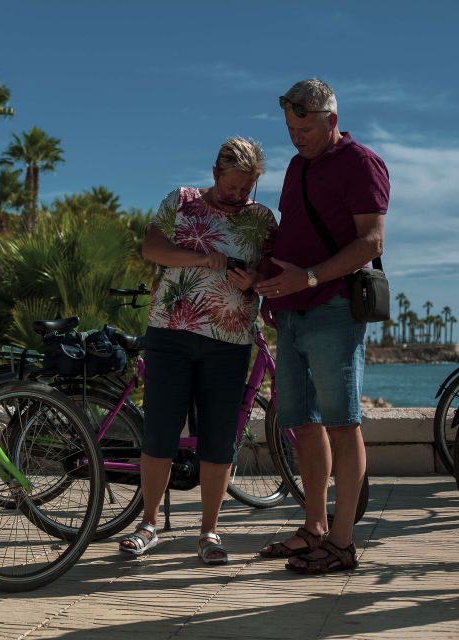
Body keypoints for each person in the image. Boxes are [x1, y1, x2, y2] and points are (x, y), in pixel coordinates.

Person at [118, 137, 277, 565]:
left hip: (229, 342)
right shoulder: (182, 200)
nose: (239, 196)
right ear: (214, 174)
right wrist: (203, 259)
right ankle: (148, 524)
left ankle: (209, 532)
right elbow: (152, 248)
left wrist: (255, 279)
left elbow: (271, 268)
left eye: (247, 188)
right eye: (232, 187)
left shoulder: (262, 219)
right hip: (169, 332)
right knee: (160, 431)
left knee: (219, 438)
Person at [255, 79, 388, 574]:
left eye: (304, 129)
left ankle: (343, 542)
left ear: (332, 121)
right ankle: (314, 528)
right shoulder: (295, 166)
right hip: (290, 311)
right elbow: (293, 233)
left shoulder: (362, 163)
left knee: (341, 422)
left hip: (333, 308)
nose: (296, 139)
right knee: (303, 424)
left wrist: (307, 278)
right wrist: (270, 283)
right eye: (290, 129)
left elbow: (370, 242)